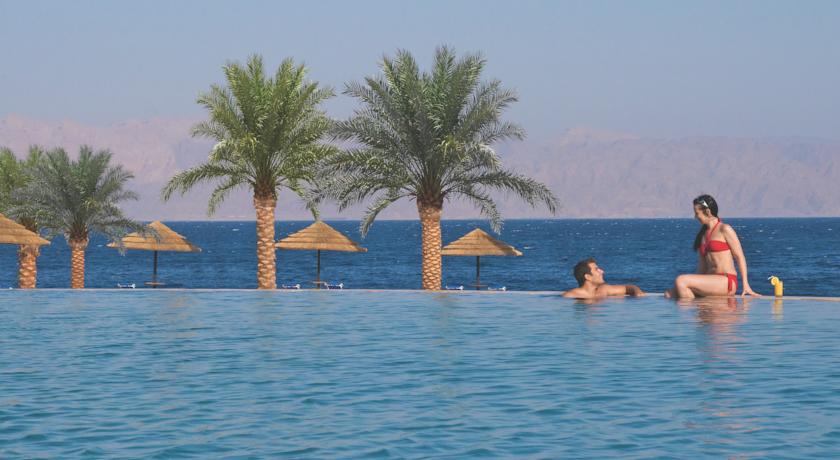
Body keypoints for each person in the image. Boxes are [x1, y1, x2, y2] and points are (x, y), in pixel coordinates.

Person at [666, 194, 760, 298]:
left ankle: (692, 308)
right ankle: (698, 307)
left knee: (681, 280)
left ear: (708, 212)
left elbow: (739, 257)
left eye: (697, 213)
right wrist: (694, 284)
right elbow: (702, 268)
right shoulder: (702, 235)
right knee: (669, 294)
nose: (695, 217)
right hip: (710, 281)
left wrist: (746, 285)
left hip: (726, 281)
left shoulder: (724, 229)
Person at [563, 258, 645, 299]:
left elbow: (628, 287)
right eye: (596, 269)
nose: (602, 271)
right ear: (588, 277)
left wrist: (637, 292)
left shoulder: (603, 290)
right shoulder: (571, 295)